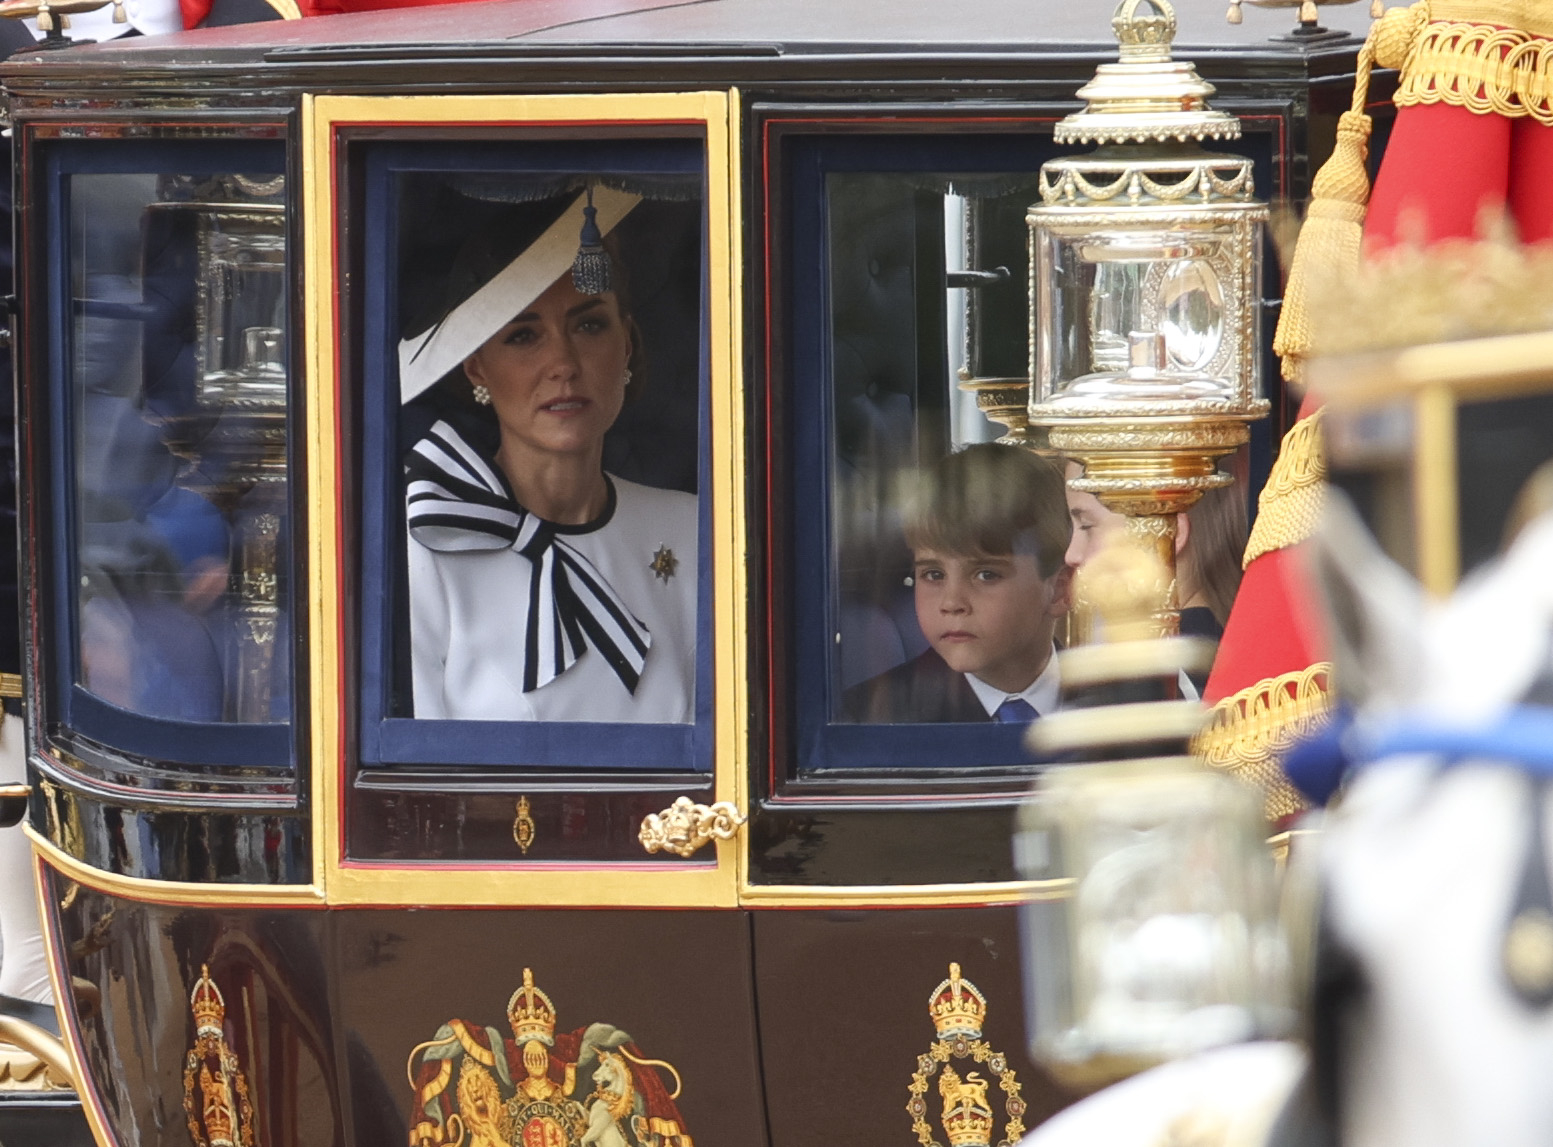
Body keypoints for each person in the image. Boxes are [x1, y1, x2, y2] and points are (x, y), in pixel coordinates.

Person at [400, 186, 697, 723]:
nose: (562, 362)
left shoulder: (695, 532)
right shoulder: (428, 541)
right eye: (523, 336)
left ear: (625, 344)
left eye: (588, 326)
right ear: (477, 369)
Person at [844, 444, 1072, 724]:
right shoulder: (869, 719)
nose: (952, 603)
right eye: (933, 575)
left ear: (1060, 590)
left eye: (986, 574)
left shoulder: (1118, 708)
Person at [1063, 461, 1246, 642]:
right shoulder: (1232, 640)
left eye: (1087, 526)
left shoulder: (1171, 662)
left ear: (1169, 532)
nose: (1071, 555)